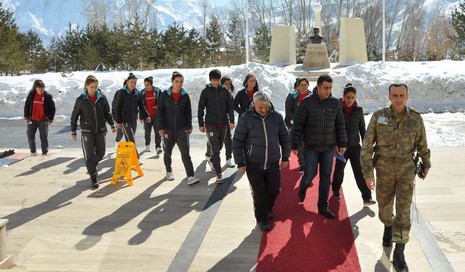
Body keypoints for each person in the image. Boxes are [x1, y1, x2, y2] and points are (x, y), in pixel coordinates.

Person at [361, 83, 431, 272]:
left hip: (406, 168)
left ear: (407, 96)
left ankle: (399, 252)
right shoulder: (379, 116)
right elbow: (367, 146)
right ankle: (388, 225)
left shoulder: (415, 118)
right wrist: (367, 174)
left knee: (403, 210)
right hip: (383, 168)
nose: (398, 99)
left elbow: (422, 143)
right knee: (384, 207)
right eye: (395, 95)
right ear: (389, 97)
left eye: (402, 95)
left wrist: (426, 163)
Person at [290, 75, 347, 219]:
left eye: (330, 88)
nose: (328, 91)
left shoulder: (335, 103)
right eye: (325, 88)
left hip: (328, 147)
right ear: (319, 87)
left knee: (326, 178)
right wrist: (295, 144)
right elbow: (298, 125)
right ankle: (302, 187)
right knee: (310, 174)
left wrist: (342, 143)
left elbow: (340, 124)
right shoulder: (306, 103)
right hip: (311, 146)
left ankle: (322, 206)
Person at [233, 91, 290, 231]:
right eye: (260, 108)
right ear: (253, 104)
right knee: (259, 194)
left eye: (266, 107)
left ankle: (268, 207)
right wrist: (240, 162)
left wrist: (285, 157)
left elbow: (284, 137)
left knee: (274, 190)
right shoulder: (246, 118)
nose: (264, 110)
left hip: (272, 162)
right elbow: (237, 141)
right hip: (254, 163)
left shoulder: (276, 117)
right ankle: (262, 218)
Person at [331, 83, 376, 206]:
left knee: (359, 172)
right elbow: (333, 128)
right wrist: (335, 144)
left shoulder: (358, 110)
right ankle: (335, 189)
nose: (350, 100)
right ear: (343, 97)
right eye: (348, 97)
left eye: (352, 97)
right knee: (339, 171)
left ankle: (367, 197)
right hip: (342, 148)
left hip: (356, 147)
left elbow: (362, 129)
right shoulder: (338, 109)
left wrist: (366, 145)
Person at [70, 75, 116, 188]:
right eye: (92, 87)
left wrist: (112, 125)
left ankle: (91, 165)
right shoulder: (81, 100)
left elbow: (107, 113)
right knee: (89, 155)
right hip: (87, 131)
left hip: (100, 130)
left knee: (101, 153)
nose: (94, 89)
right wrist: (73, 131)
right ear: (86, 86)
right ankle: (93, 176)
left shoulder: (102, 98)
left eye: (96, 87)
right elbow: (74, 116)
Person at [157, 71, 200, 186]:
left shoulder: (185, 96)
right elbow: (159, 112)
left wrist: (189, 126)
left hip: (182, 130)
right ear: (172, 82)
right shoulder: (164, 95)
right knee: (167, 152)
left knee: (185, 153)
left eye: (181, 82)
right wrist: (161, 128)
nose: (179, 84)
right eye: (177, 81)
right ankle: (169, 171)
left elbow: (188, 112)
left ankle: (190, 176)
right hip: (168, 130)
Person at [198, 69, 235, 183]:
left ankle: (212, 159)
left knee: (218, 147)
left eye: (217, 80)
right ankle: (219, 174)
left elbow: (230, 107)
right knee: (215, 148)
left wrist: (232, 121)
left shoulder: (224, 91)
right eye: (213, 80)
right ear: (210, 80)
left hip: (223, 124)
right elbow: (200, 108)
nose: (215, 82)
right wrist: (201, 123)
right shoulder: (206, 92)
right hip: (210, 124)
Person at [112, 73, 150, 158]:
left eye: (135, 83)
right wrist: (117, 121)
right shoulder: (121, 92)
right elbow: (116, 107)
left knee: (130, 139)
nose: (133, 84)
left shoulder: (137, 93)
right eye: (131, 82)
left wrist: (146, 115)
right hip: (124, 120)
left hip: (133, 120)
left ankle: (128, 157)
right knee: (131, 139)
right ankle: (136, 158)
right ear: (127, 82)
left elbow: (141, 105)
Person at [285, 77, 311, 173]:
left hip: (309, 126)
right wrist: (298, 119)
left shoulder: (313, 96)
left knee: (307, 145)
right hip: (295, 125)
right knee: (300, 145)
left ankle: (308, 163)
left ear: (308, 85)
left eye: (305, 84)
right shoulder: (292, 96)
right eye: (301, 85)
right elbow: (288, 111)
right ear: (298, 86)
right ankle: (302, 164)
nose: (303, 87)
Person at [23, 79, 56, 156]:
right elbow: (26, 106)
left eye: (42, 90)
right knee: (30, 135)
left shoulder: (48, 96)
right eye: (38, 90)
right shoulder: (31, 95)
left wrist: (51, 119)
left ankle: (44, 153)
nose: (40, 91)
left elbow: (52, 108)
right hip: (32, 120)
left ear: (44, 88)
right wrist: (26, 117)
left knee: (43, 137)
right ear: (35, 89)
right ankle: (33, 152)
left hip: (43, 120)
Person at [141, 76, 162, 154]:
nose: (146, 86)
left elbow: (162, 102)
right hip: (147, 116)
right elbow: (141, 105)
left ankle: (158, 147)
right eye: (145, 85)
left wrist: (158, 106)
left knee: (157, 132)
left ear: (152, 84)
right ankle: (147, 144)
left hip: (156, 115)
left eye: (148, 85)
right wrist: (142, 117)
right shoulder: (143, 92)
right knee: (147, 132)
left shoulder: (157, 91)